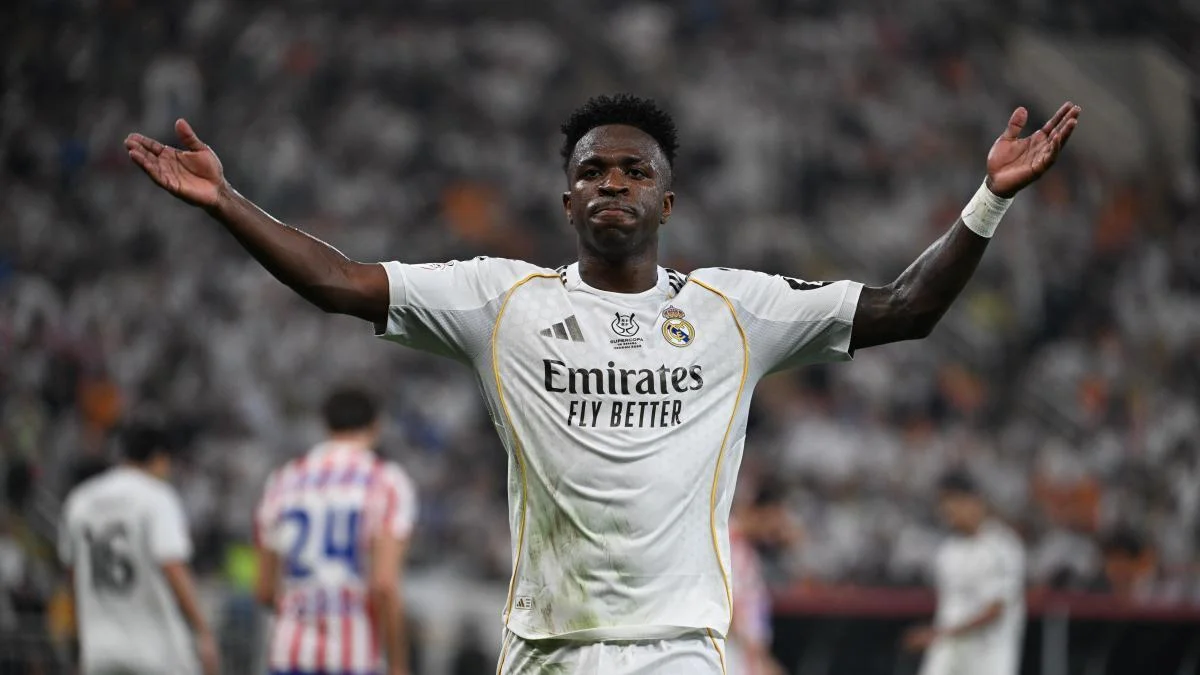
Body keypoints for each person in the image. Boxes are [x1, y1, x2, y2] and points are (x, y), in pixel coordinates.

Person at [125, 93, 1079, 674]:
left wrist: (988, 201)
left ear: (668, 199)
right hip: (545, 647)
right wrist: (226, 202)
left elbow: (908, 307)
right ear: (566, 198)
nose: (612, 183)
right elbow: (340, 281)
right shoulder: (501, 299)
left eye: (634, 171)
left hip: (678, 648)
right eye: (593, 171)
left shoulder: (736, 308)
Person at [254, 387, 418, 675]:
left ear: (325, 425)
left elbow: (265, 589)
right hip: (353, 653)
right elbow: (384, 584)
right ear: (376, 426)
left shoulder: (284, 479)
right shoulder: (386, 481)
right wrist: (398, 664)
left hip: (288, 652)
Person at [58, 421, 219, 675]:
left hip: (99, 650)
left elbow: (73, 573)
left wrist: (79, 635)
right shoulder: (156, 497)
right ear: (159, 458)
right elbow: (172, 565)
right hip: (157, 652)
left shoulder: (80, 500)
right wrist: (203, 629)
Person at [904, 470, 1026, 675]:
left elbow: (995, 611)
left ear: (975, 501)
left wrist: (940, 633)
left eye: (954, 501)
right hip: (948, 653)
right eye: (943, 503)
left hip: (988, 657)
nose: (948, 510)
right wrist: (941, 635)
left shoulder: (1002, 546)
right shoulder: (948, 550)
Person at [727, 483, 798, 675]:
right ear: (760, 512)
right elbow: (727, 605)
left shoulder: (746, 549)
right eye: (773, 522)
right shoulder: (727, 542)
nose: (774, 533)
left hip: (746, 653)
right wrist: (759, 658)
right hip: (732, 653)